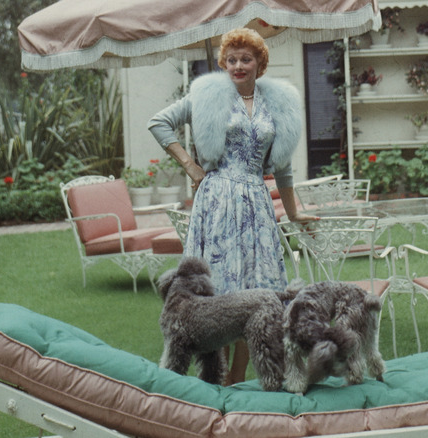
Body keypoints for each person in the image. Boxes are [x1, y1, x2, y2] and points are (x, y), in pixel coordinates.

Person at [148, 28, 316, 386]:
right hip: (217, 201)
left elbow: (283, 168)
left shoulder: (276, 105)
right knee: (220, 289)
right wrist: (190, 166)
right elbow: (159, 123)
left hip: (256, 203)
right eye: (231, 59)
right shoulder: (208, 96)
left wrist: (295, 212)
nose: (238, 65)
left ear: (260, 64)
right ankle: (217, 375)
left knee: (257, 288)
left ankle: (239, 375)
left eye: (246, 59)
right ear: (224, 63)